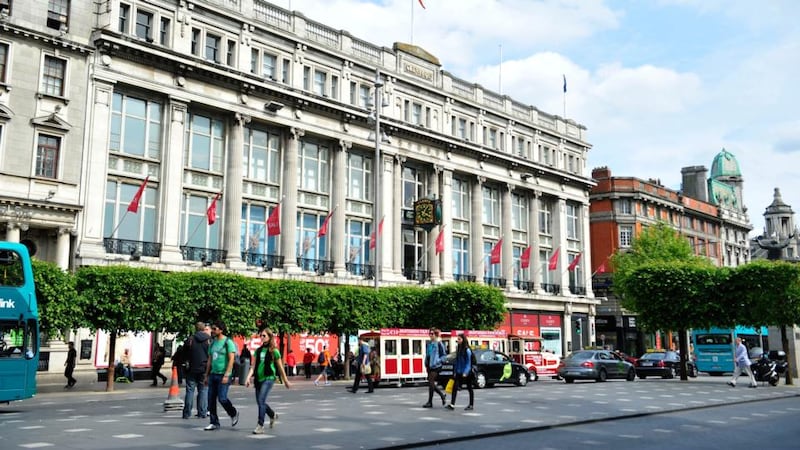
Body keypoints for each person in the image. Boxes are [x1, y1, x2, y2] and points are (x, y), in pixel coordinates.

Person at [245, 328, 291, 435]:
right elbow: (253, 366)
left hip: (269, 378)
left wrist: (286, 381)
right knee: (260, 402)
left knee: (261, 400)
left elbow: (280, 367)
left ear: (270, 337)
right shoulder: (258, 350)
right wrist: (248, 378)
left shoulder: (274, 351)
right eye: (261, 335)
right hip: (258, 379)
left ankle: (260, 425)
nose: (262, 337)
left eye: (264, 336)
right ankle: (272, 415)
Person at [203, 321, 239, 430]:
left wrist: (227, 374)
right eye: (212, 329)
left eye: (215, 329)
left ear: (221, 330)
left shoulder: (228, 342)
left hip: (223, 374)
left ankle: (233, 413)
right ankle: (214, 422)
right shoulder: (212, 343)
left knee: (222, 398)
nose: (212, 331)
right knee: (211, 399)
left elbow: (231, 359)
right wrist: (206, 375)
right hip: (213, 374)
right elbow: (209, 359)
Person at [183, 321, 211, 420]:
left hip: (191, 368)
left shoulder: (190, 339)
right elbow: (210, 355)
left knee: (190, 391)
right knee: (203, 390)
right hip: (204, 369)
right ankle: (202, 412)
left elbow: (184, 353)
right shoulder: (208, 340)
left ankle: (187, 413)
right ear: (204, 329)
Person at [447, 333, 474, 411]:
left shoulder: (467, 350)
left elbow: (468, 363)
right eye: (457, 339)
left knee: (469, 388)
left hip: (466, 372)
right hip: (459, 371)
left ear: (463, 340)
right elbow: (457, 361)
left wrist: (465, 372)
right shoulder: (458, 348)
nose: (457, 340)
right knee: (455, 387)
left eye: (459, 339)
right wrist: (455, 371)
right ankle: (452, 404)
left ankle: (471, 404)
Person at [423, 328, 447, 408]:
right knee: (431, 383)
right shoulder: (429, 343)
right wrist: (426, 362)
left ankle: (430, 401)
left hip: (436, 365)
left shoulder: (439, 343)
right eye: (429, 334)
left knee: (431, 382)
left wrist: (438, 361)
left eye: (432, 334)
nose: (430, 335)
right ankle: (441, 396)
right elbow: (428, 354)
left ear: (436, 335)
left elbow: (444, 355)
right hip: (429, 365)